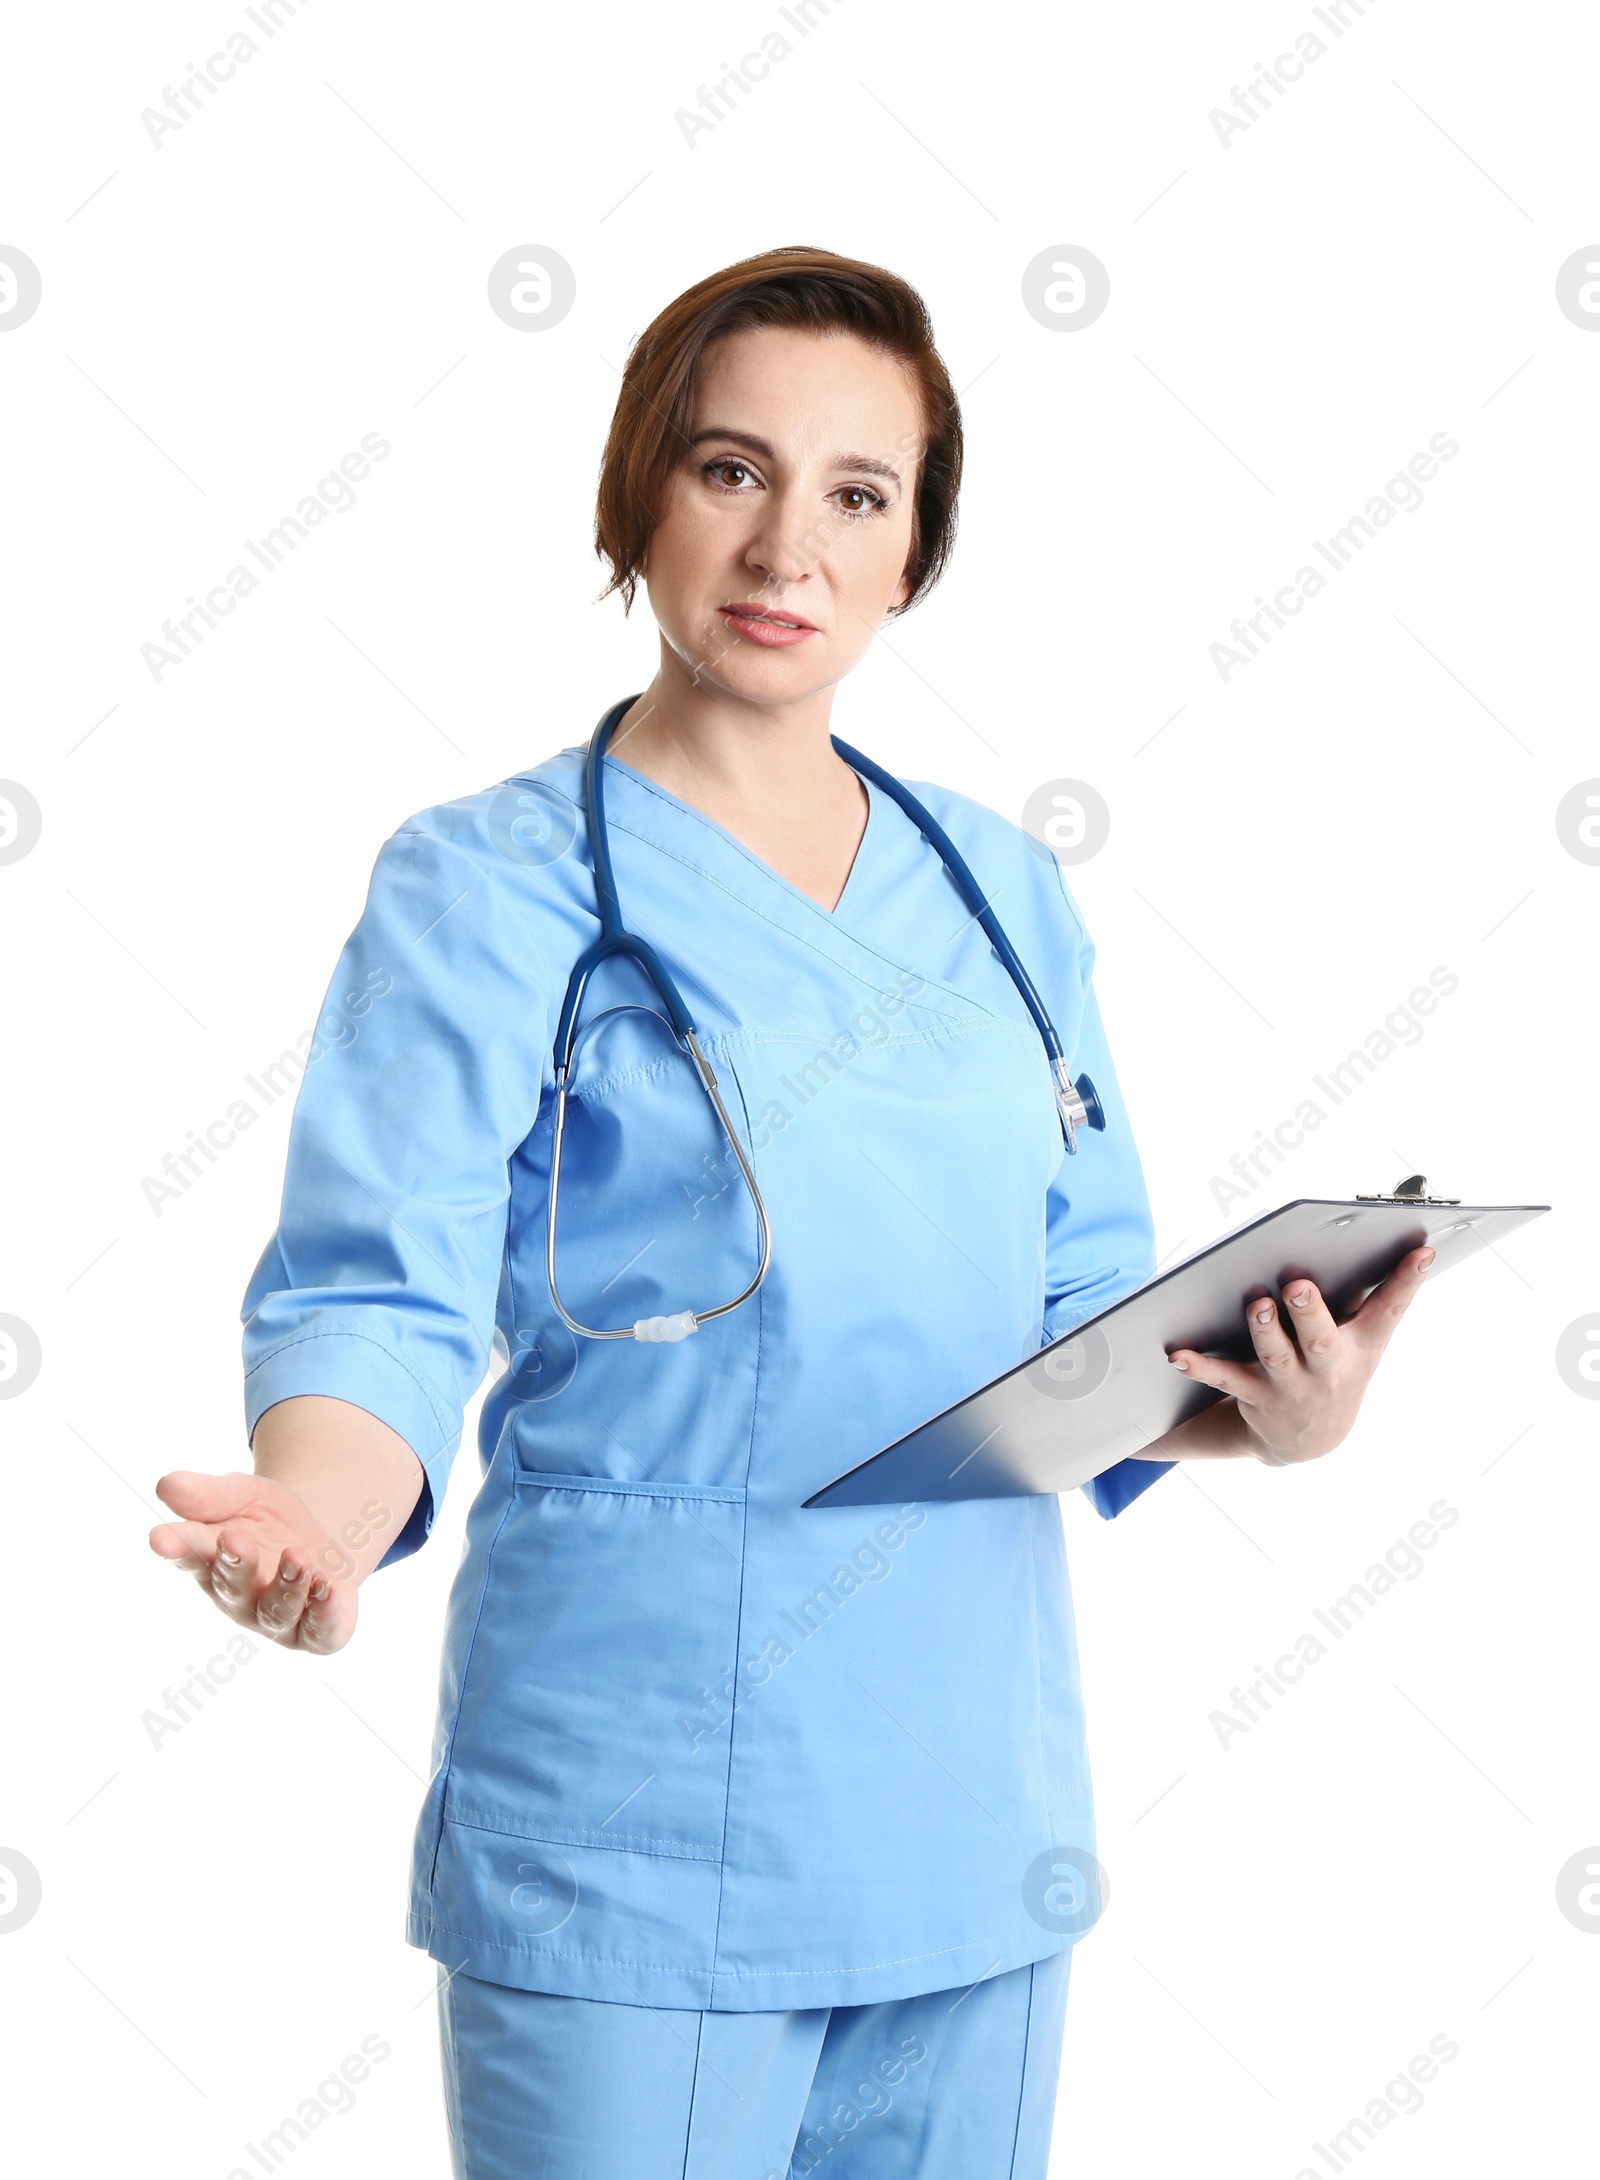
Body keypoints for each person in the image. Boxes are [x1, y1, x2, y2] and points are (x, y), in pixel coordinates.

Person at [149, 246, 1434, 2179]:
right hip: (633, 1820)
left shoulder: (999, 888)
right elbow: (383, 1295)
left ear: (915, 552)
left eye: (859, 495)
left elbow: (1094, 1309)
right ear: (638, 494)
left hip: (970, 1823)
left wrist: (1275, 1407)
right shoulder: (484, 888)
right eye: (730, 471)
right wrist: (321, 1519)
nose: (787, 548)